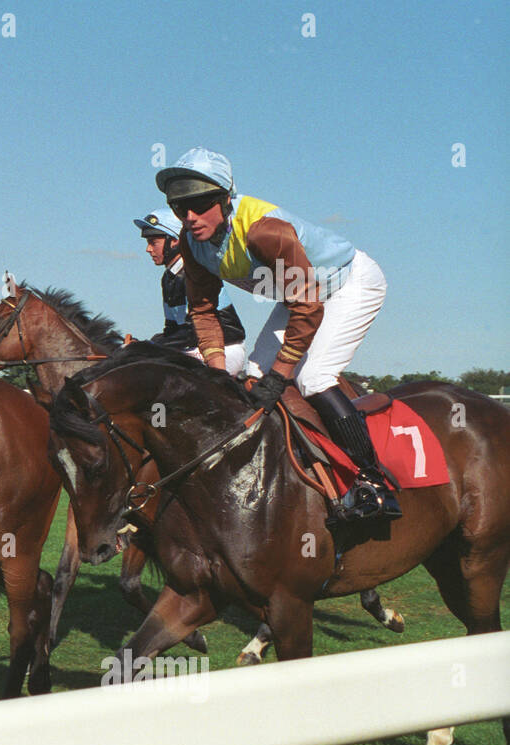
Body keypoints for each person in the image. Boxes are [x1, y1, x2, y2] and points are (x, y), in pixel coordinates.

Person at [156, 147, 398, 522]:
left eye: (200, 204)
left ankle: (373, 482)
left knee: (313, 377)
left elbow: (308, 308)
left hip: (350, 283)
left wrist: (282, 373)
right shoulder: (193, 244)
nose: (189, 217)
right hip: (302, 294)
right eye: (179, 208)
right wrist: (219, 374)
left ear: (224, 200)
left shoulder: (264, 231)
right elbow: (203, 312)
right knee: (252, 378)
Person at [134, 207, 247, 375]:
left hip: (226, 349)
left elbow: (193, 331)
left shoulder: (194, 273)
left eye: (153, 242)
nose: (148, 249)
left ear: (174, 241)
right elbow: (172, 330)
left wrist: (150, 346)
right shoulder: (168, 278)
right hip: (196, 347)